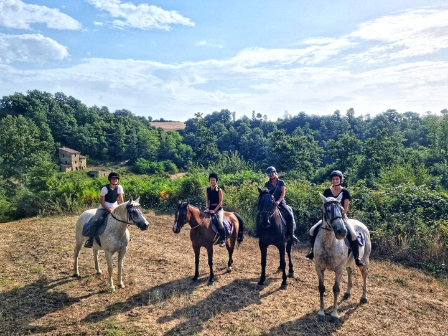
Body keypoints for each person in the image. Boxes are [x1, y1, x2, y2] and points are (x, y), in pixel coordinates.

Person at [306, 170, 364, 266]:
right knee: (312, 230)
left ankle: (357, 258)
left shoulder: (345, 192)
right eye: (333, 179)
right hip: (328, 219)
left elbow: (345, 208)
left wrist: (339, 218)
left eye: (337, 179)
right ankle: (313, 252)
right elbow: (325, 206)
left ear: (340, 180)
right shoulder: (327, 191)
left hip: (341, 218)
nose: (335, 181)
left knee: (353, 235)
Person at [84, 171, 124, 248]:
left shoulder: (119, 187)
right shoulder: (104, 188)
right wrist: (109, 210)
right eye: (113, 178)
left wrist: (122, 209)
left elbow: (121, 200)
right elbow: (102, 202)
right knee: (94, 221)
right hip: (103, 208)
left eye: (116, 179)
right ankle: (90, 240)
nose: (115, 180)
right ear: (110, 179)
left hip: (115, 207)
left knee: (124, 220)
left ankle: (124, 238)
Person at [262, 166, 299, 243]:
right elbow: (265, 193)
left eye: (272, 173)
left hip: (281, 202)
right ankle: (258, 231)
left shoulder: (281, 182)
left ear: (275, 173)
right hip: (270, 203)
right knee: (261, 213)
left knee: (289, 214)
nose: (271, 174)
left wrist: (278, 201)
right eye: (269, 173)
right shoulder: (267, 184)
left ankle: (292, 234)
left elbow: (283, 193)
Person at [204, 173, 226, 247]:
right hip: (210, 208)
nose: (212, 181)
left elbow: (220, 202)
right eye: (211, 180)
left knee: (220, 223)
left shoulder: (219, 190)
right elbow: (207, 201)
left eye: (214, 180)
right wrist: (207, 208)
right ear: (209, 181)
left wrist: (215, 210)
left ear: (216, 181)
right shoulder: (207, 189)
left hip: (218, 209)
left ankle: (223, 239)